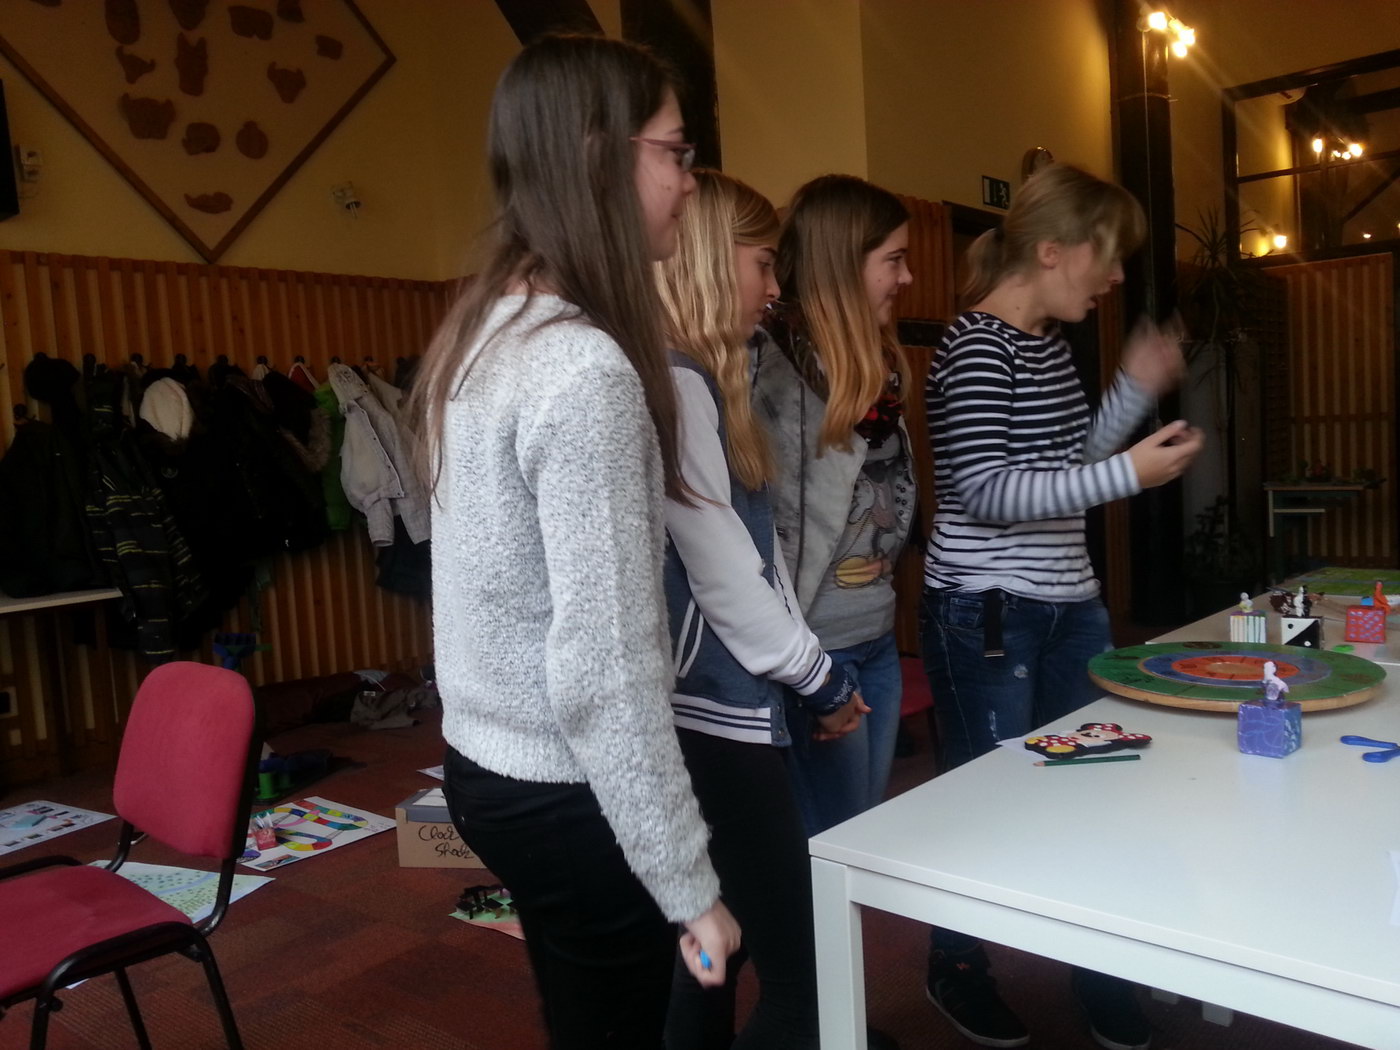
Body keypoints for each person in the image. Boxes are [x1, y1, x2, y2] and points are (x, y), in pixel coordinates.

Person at [411, 35, 738, 1049]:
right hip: (564, 789)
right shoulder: (581, 370)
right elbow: (603, 668)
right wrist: (689, 888)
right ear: (599, 154)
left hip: (485, 767)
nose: (689, 182)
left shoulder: (486, 328)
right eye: (675, 152)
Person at [920, 163, 1203, 1050]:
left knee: (1093, 794)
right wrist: (1128, 475)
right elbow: (986, 490)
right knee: (985, 801)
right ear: (1051, 250)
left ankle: (1097, 969)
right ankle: (956, 962)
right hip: (989, 611)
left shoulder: (1046, 345)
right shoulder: (976, 346)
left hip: (1069, 604)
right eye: (1106, 257)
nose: (1115, 278)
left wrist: (1132, 392)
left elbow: (1065, 462)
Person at [655, 169, 876, 1050]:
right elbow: (727, 578)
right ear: (714, 263)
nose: (774, 286)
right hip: (712, 718)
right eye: (761, 264)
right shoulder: (677, 385)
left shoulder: (705, 379)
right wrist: (823, 683)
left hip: (720, 707)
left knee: (717, 945)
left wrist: (805, 673)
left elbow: (757, 561)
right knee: (803, 977)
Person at [752, 174, 917, 836]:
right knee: (831, 845)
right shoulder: (776, 379)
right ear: (844, 267)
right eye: (893, 260)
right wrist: (810, 677)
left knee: (859, 832)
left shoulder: (876, 371)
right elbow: (766, 544)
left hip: (874, 637)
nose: (906, 277)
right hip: (819, 656)